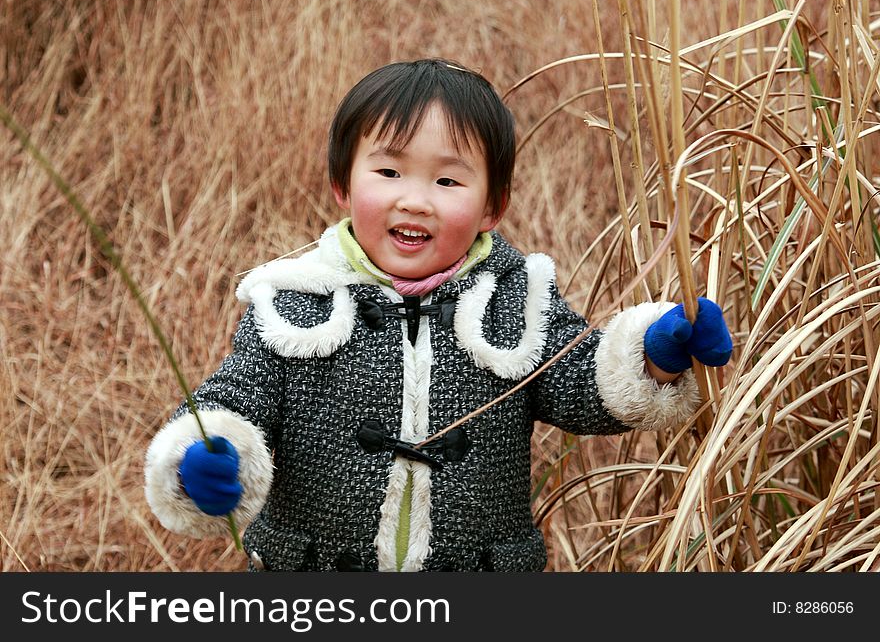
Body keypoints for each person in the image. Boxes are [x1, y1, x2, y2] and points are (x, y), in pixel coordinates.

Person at [144, 58, 732, 572]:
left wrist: (654, 354)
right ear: (342, 186)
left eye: (448, 179)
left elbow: (579, 380)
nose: (415, 198)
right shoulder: (294, 300)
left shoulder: (515, 299)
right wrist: (205, 453)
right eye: (389, 171)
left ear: (492, 207)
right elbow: (235, 397)